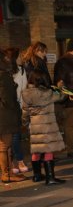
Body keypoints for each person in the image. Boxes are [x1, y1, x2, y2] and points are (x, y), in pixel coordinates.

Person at [21, 70, 67, 185]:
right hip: (47, 125)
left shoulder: (26, 93)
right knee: (48, 149)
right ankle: (50, 178)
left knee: (36, 149)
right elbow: (61, 96)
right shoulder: (47, 93)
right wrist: (60, 87)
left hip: (35, 125)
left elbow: (25, 111)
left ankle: (37, 175)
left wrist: (25, 123)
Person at [0, 48, 26, 183]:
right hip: (6, 115)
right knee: (5, 146)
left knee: (5, 146)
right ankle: (6, 174)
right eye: (4, 58)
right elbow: (7, 98)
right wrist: (14, 108)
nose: (7, 60)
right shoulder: (3, 75)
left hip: (4, 114)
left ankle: (8, 172)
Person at [5, 47, 29, 174]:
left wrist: (24, 108)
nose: (22, 58)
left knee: (16, 136)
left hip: (18, 107)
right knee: (11, 137)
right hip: (7, 108)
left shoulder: (22, 70)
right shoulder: (6, 72)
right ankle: (14, 162)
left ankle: (17, 161)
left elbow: (24, 91)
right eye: (20, 56)